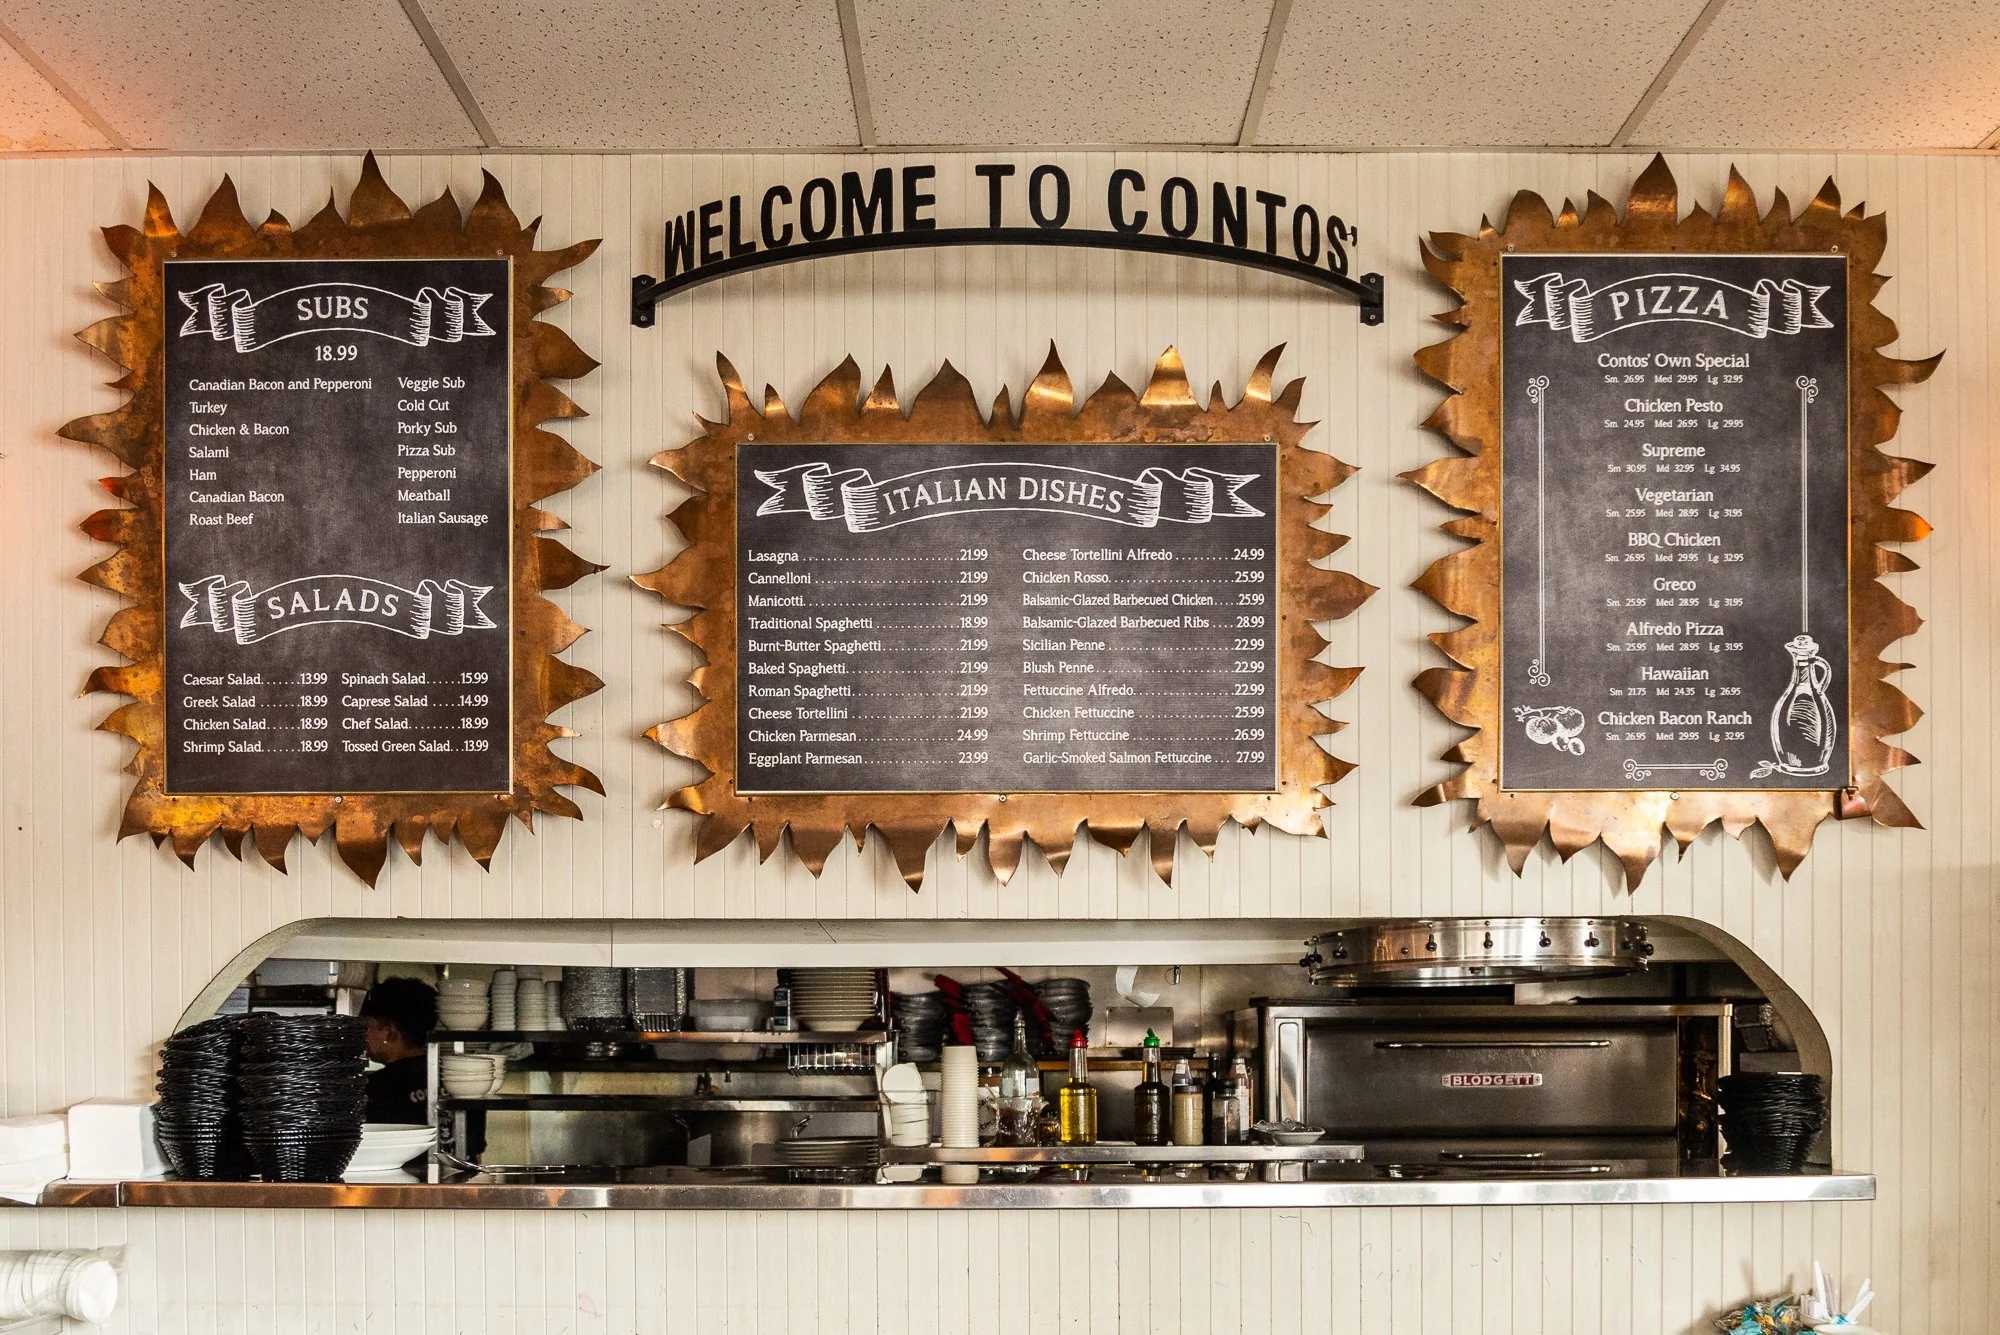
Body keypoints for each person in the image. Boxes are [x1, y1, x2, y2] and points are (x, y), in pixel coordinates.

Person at [360, 977, 436, 1124]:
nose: (362, 1034)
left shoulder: (379, 1087)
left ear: (390, 1033)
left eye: (366, 1027)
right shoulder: (453, 1078)